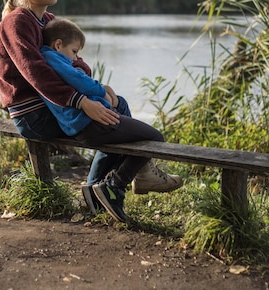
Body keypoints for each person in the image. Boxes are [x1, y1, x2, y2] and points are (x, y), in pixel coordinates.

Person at [0, 0, 182, 222]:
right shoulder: (17, 22)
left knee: (118, 107)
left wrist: (96, 89)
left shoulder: (47, 20)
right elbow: (35, 72)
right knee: (141, 134)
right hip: (36, 114)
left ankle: (96, 194)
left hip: (57, 107)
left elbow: (77, 62)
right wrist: (80, 100)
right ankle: (114, 186)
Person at [39, 17, 182, 222]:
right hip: (91, 124)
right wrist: (101, 90)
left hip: (84, 124)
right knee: (154, 138)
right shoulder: (53, 58)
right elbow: (78, 80)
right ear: (58, 44)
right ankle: (114, 186)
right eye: (74, 52)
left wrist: (107, 96)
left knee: (121, 104)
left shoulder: (51, 57)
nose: (75, 58)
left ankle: (94, 190)